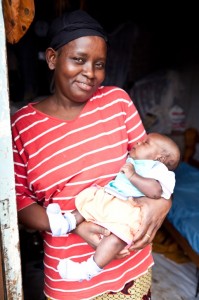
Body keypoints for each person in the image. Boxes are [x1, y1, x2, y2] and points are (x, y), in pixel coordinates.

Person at [11, 9, 172, 300]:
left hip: (131, 267)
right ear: (52, 58)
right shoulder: (23, 125)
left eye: (99, 64)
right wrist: (76, 225)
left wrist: (163, 203)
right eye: (79, 59)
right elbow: (20, 204)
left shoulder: (117, 102)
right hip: (70, 278)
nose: (91, 73)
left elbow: (150, 164)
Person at [46, 132, 180, 281]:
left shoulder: (159, 170)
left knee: (117, 238)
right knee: (89, 200)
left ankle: (88, 270)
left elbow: (156, 192)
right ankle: (66, 223)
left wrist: (132, 176)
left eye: (146, 143)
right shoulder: (133, 159)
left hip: (128, 211)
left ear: (159, 158)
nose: (139, 142)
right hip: (110, 198)